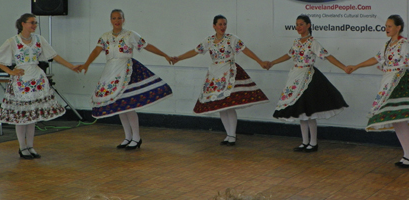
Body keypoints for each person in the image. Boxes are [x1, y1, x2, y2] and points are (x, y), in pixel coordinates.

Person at [345, 15, 409, 167]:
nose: (386, 29)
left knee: (399, 118)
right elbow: (376, 58)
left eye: (390, 26)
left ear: (398, 27)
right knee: (397, 121)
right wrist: (357, 65)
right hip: (388, 81)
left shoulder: (404, 44)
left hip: (399, 81)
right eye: (386, 26)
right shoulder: (387, 45)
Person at [79, 9, 173, 150]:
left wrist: (165, 55)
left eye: (119, 18)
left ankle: (136, 137)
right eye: (114, 18)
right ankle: (127, 136)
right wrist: (86, 64)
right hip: (111, 70)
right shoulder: (105, 37)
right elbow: (96, 51)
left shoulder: (130, 35)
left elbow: (147, 46)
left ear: (124, 20)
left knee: (129, 105)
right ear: (110, 20)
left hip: (127, 70)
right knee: (120, 107)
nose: (117, 21)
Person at [0, 13, 80, 159]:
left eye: (35, 23)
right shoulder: (12, 41)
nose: (34, 25)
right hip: (21, 80)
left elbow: (54, 55)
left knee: (32, 115)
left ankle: (30, 146)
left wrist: (71, 66)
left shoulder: (39, 39)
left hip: (36, 77)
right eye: (31, 22)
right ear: (23, 24)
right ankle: (22, 147)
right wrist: (11, 71)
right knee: (22, 116)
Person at [172, 15, 269, 146]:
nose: (223, 27)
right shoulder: (209, 40)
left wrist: (260, 61)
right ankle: (228, 135)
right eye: (220, 24)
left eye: (224, 24)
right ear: (214, 26)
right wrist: (179, 58)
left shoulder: (231, 38)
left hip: (229, 72)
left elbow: (246, 50)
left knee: (229, 105)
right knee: (221, 107)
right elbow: (195, 51)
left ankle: (233, 135)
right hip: (215, 73)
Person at [266, 15, 348, 152]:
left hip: (308, 77)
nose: (298, 27)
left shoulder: (312, 42)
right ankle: (304, 142)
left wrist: (343, 67)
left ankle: (313, 142)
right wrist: (272, 62)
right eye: (297, 25)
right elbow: (289, 54)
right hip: (295, 76)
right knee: (301, 113)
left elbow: (327, 56)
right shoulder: (296, 42)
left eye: (301, 24)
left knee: (309, 112)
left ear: (308, 25)